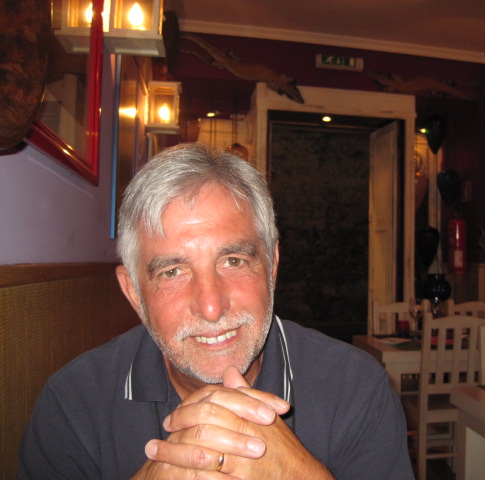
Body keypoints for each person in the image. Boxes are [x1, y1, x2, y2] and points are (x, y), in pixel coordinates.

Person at [18, 143, 413, 479]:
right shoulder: (72, 406)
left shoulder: (357, 388)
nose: (211, 307)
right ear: (134, 293)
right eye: (173, 271)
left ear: (272, 266)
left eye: (234, 261)